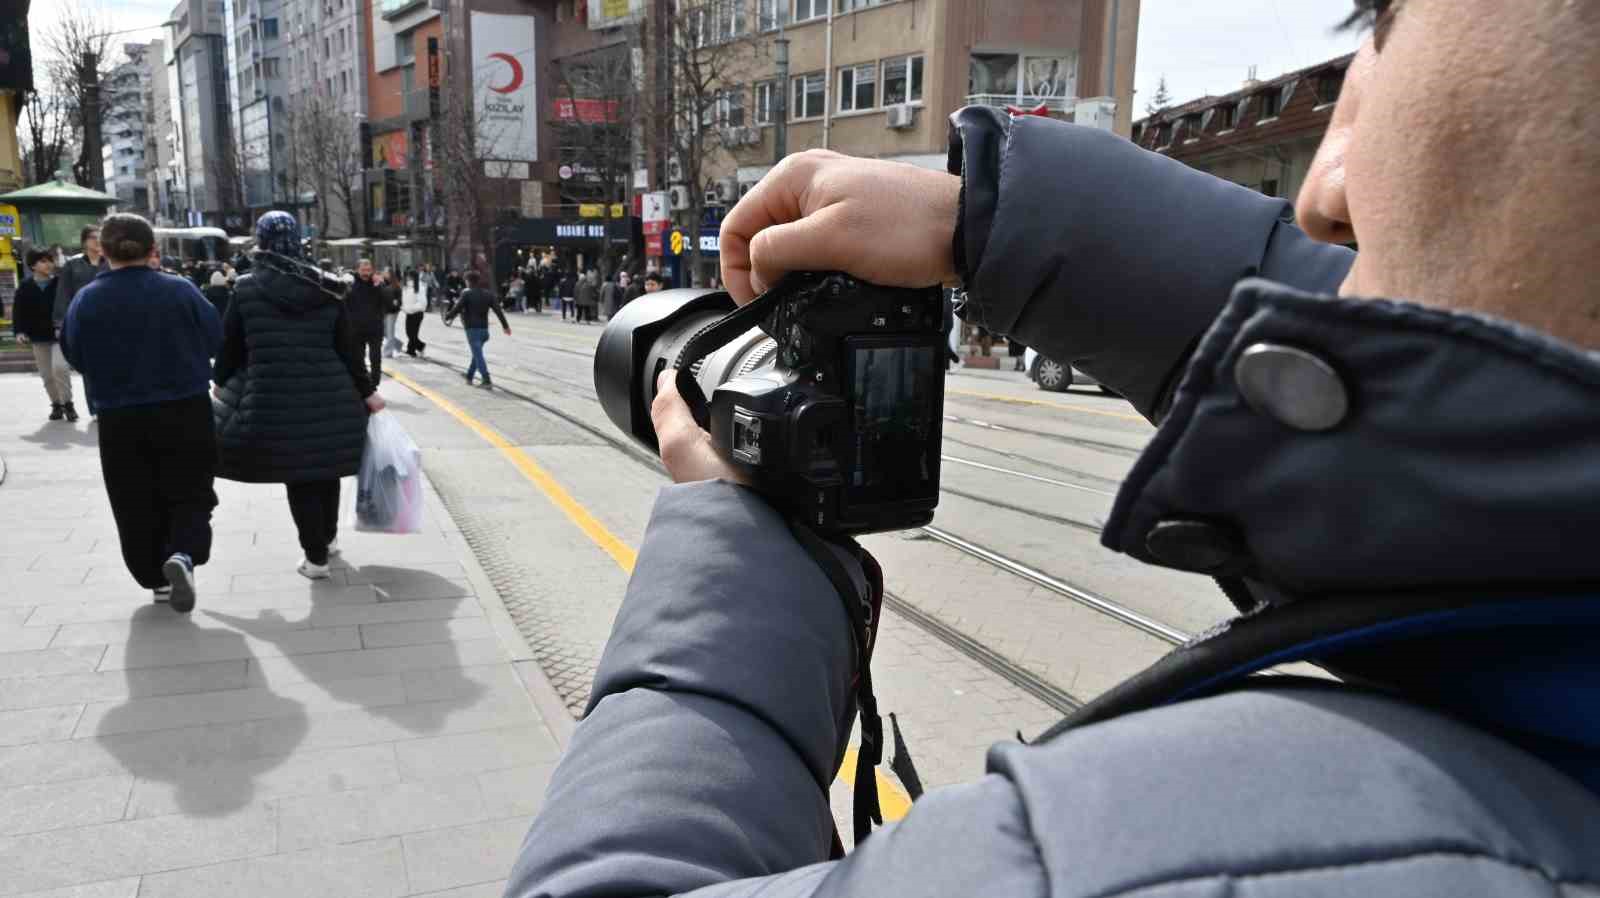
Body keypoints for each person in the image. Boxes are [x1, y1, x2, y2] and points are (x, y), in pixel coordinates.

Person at [506, 4, 1600, 895]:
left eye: (1389, 14)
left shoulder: (1117, 856)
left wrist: (739, 563)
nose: (1324, 183)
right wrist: (1000, 223)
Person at [59, 214, 221, 613]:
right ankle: (183, 553)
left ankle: (154, 578)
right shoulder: (180, 290)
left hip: (119, 414)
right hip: (185, 406)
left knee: (134, 498)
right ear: (153, 250)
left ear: (104, 252)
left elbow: (75, 354)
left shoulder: (87, 299)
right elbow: (216, 336)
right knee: (190, 488)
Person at [212, 212, 384, 581]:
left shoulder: (245, 288)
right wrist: (367, 391)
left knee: (300, 474)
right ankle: (329, 538)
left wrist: (220, 380)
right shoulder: (328, 287)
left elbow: (230, 347)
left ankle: (315, 557)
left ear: (261, 241)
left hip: (275, 399)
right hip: (332, 395)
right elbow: (348, 349)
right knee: (326, 468)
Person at [11, 247, 76, 421]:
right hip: (37, 338)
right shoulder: (25, 286)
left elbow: (68, 306)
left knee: (60, 368)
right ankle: (56, 405)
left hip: (58, 336)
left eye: (50, 260)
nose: (49, 264)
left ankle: (68, 404)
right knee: (47, 375)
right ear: (33, 265)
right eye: (43, 261)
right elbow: (18, 312)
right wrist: (19, 332)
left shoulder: (59, 283)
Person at [54, 224, 108, 418]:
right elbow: (63, 294)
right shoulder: (72, 264)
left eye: (100, 237)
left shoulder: (109, 262)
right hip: (84, 322)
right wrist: (61, 323)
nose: (97, 241)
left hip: (109, 322)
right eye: (93, 237)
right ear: (84, 241)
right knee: (89, 367)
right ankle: (95, 407)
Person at [444, 270, 510, 388]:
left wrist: (447, 316)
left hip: (472, 330)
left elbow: (457, 308)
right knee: (477, 354)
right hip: (484, 331)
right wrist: (505, 326)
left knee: (478, 355)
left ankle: (486, 379)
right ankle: (469, 376)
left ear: (468, 281)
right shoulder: (489, 294)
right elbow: (498, 311)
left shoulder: (466, 293)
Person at [346, 258, 386, 383]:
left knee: (375, 357)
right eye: (363, 270)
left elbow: (387, 303)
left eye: (368, 270)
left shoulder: (377, 284)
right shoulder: (350, 284)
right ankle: (362, 382)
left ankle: (375, 382)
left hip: (375, 328)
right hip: (356, 329)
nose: (366, 273)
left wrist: (379, 286)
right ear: (357, 270)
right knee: (358, 357)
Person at [402, 267, 428, 357]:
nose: (407, 278)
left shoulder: (420, 287)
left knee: (412, 334)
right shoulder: (406, 287)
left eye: (409, 276)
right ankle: (411, 350)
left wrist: (411, 308)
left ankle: (420, 346)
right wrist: (404, 307)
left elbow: (423, 303)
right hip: (409, 313)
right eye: (407, 276)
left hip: (417, 313)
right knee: (409, 333)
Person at [380, 268, 404, 359]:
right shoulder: (381, 284)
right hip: (383, 311)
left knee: (390, 332)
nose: (384, 274)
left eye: (386, 273)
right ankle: (398, 345)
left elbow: (400, 298)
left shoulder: (396, 285)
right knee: (383, 332)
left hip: (392, 311)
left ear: (390, 274)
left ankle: (387, 353)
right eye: (384, 272)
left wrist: (397, 302)